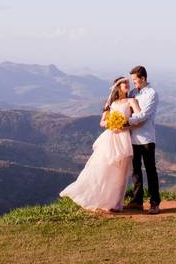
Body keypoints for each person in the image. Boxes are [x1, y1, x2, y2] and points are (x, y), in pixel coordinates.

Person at [59, 76, 140, 211]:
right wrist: (110, 123)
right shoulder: (111, 103)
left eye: (128, 83)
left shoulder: (132, 101)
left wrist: (125, 126)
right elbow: (102, 122)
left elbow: (138, 119)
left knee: (121, 173)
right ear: (118, 87)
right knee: (103, 169)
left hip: (124, 138)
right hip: (110, 138)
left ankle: (118, 204)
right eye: (124, 83)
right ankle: (101, 199)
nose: (127, 85)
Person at [126, 65, 160, 214]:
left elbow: (144, 116)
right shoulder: (133, 93)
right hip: (133, 138)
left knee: (151, 171)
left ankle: (154, 203)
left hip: (146, 139)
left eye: (135, 80)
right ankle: (137, 201)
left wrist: (125, 121)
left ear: (143, 78)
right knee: (136, 172)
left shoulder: (152, 94)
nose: (134, 83)